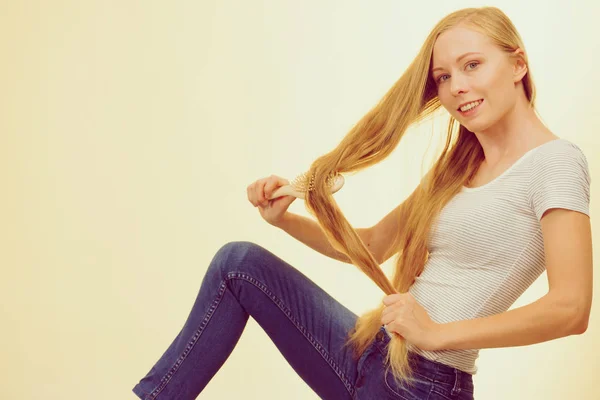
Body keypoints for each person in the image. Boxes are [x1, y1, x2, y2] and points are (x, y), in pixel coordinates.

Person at [132, 6, 592, 400]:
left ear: (518, 65)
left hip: (424, 383)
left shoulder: (556, 163)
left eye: (472, 65)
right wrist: (286, 220)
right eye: (444, 77)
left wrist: (436, 333)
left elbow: (570, 308)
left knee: (237, 264)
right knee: (238, 263)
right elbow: (372, 245)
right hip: (372, 352)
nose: (456, 87)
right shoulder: (457, 168)